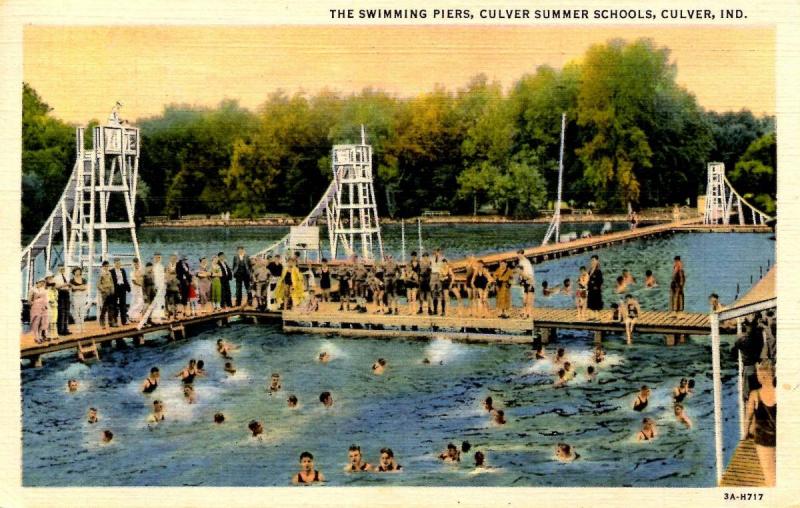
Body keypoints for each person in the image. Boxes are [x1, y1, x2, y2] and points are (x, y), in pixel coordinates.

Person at [744, 360, 776, 486]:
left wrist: (745, 434)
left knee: (769, 476)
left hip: (764, 440)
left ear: (763, 376)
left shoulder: (755, 394)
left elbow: (748, 418)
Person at [110, 258, 131, 326]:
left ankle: (124, 321)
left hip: (122, 288)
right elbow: (110, 282)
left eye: (119, 263)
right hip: (115, 289)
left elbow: (125, 279)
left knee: (123, 304)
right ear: (114, 264)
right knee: (114, 305)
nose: (118, 264)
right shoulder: (111, 271)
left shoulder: (123, 270)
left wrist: (128, 288)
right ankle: (115, 321)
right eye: (116, 263)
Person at [53, 266, 71, 336]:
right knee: (61, 312)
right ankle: (60, 330)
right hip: (61, 293)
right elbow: (55, 287)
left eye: (63, 269)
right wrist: (64, 285)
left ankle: (65, 329)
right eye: (61, 269)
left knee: (67, 311)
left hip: (66, 293)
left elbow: (68, 285)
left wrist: (69, 286)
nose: (62, 270)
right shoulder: (56, 278)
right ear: (58, 269)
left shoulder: (66, 276)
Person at [69, 268, 88, 333]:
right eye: (76, 271)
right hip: (75, 296)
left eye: (79, 271)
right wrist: (80, 287)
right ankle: (78, 328)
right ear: (74, 272)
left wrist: (77, 287)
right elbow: (73, 288)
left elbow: (85, 287)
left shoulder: (84, 279)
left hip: (82, 296)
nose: (78, 272)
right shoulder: (71, 280)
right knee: (76, 312)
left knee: (82, 312)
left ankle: (83, 327)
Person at [97, 261, 115, 328]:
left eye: (107, 266)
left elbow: (112, 282)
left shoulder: (109, 273)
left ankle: (111, 322)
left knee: (111, 307)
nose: (106, 267)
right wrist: (103, 290)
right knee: (104, 307)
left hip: (110, 291)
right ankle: (102, 322)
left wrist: (113, 289)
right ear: (103, 266)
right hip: (105, 292)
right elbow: (98, 284)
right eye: (105, 266)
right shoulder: (101, 274)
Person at [587, 255, 604, 320]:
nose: (592, 262)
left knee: (597, 303)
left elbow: (600, 280)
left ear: (597, 261)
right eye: (592, 260)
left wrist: (596, 286)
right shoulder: (590, 270)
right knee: (591, 302)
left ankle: (597, 316)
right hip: (590, 289)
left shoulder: (598, 270)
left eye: (594, 260)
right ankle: (592, 316)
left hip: (596, 289)